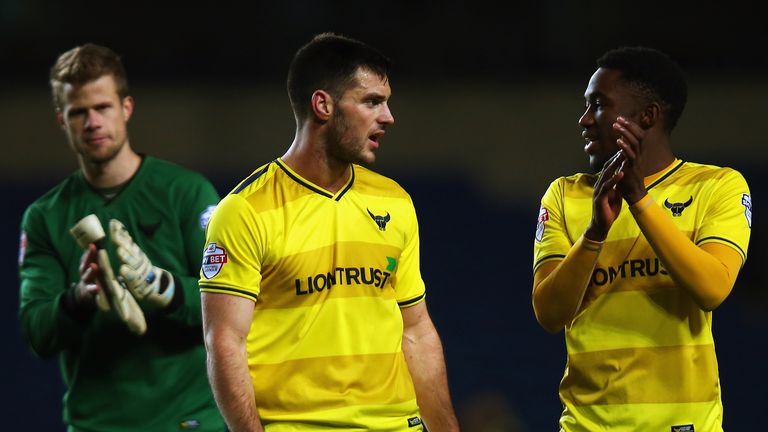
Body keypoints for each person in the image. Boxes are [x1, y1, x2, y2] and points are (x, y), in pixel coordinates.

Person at [199, 33, 460, 432]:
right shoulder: (244, 211)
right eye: (372, 101)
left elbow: (416, 331)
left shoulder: (395, 202)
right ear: (323, 105)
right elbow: (224, 343)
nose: (388, 116)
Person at [532, 46, 752, 431]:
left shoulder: (716, 186)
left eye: (598, 105)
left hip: (683, 424)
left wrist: (639, 200)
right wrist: (595, 233)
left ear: (647, 116)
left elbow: (712, 288)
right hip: (588, 426)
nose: (584, 120)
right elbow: (549, 314)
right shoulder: (565, 195)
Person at [18, 43, 226, 431]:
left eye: (102, 108)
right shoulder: (45, 217)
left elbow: (233, 305)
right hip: (98, 424)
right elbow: (37, 332)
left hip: (190, 421)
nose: (92, 122)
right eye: (78, 112)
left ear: (126, 108)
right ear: (62, 121)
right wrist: (80, 298)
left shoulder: (186, 192)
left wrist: (161, 286)